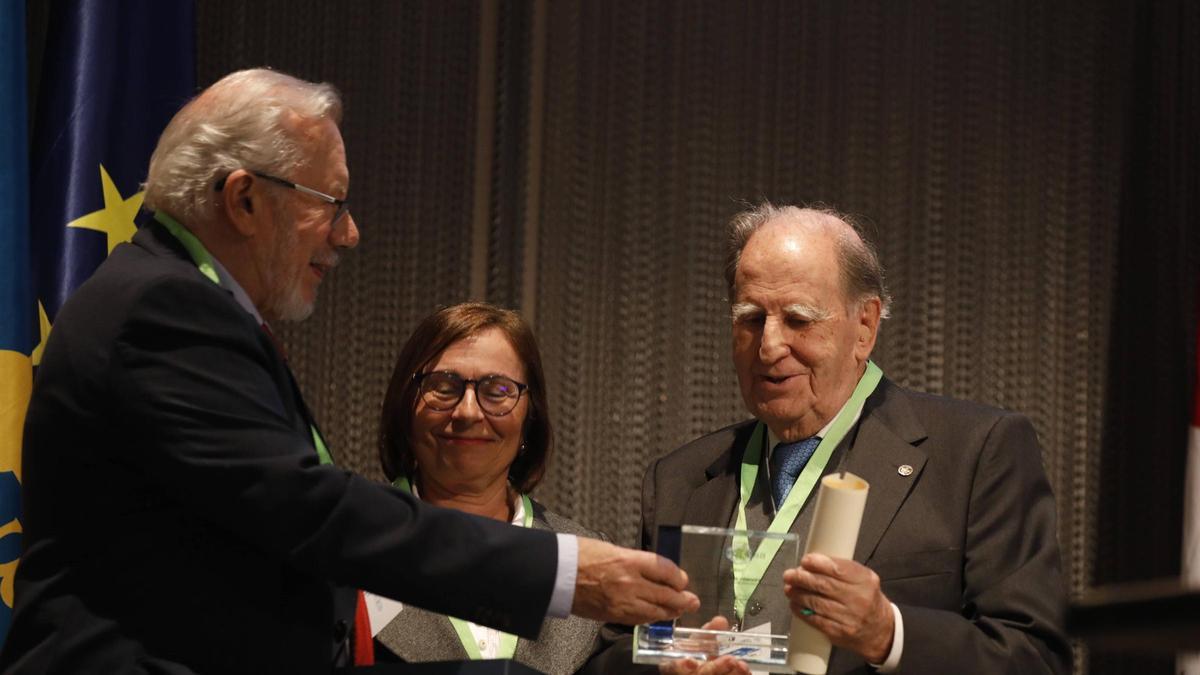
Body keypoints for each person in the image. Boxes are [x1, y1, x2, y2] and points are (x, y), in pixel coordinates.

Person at [0, 68, 696, 675]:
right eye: (330, 202)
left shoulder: (174, 300)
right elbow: (310, 510)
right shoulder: (164, 309)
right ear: (244, 198)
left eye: (499, 391)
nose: (349, 231)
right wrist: (562, 569)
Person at [635, 204, 1071, 674]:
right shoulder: (679, 479)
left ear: (864, 327)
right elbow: (617, 653)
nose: (769, 345)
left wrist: (888, 633)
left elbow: (1036, 659)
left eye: (799, 319)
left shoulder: (977, 452)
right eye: (751, 318)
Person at [358, 302, 606, 674]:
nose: (469, 412)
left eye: (498, 390)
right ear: (404, 407)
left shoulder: (590, 559)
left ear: (529, 417)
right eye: (443, 386)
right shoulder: (348, 543)